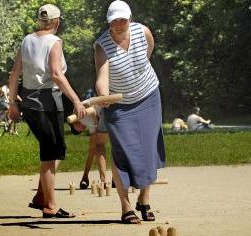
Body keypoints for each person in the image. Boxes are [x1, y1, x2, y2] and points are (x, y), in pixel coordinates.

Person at [8, 4, 86, 218]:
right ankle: (50, 206)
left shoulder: (26, 41)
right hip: (48, 102)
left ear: (40, 20)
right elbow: (56, 74)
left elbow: (15, 73)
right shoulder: (55, 41)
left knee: (57, 149)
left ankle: (42, 196)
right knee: (50, 154)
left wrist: (13, 103)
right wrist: (76, 100)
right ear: (57, 22)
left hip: (30, 102)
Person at [94, 0, 165, 224]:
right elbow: (102, 78)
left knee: (149, 148)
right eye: (114, 20)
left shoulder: (142, 31)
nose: (119, 24)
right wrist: (104, 97)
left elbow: (148, 52)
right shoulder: (102, 45)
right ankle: (126, 208)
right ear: (109, 22)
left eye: (123, 19)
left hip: (149, 96)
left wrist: (137, 78)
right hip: (118, 105)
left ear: (130, 18)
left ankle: (144, 200)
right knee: (121, 151)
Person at [71, 105, 108, 189]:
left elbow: (88, 105)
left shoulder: (76, 113)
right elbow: (92, 150)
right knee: (97, 148)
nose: (81, 130)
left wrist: (95, 119)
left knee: (101, 146)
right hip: (103, 118)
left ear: (73, 124)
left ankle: (106, 180)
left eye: (78, 130)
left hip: (105, 110)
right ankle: (89, 177)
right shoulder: (89, 125)